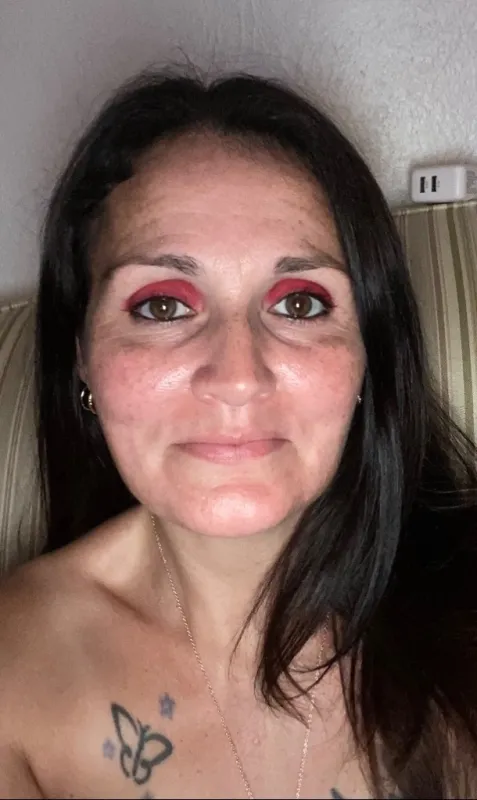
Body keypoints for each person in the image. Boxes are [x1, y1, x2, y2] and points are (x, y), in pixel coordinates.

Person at [0, 67, 476, 800]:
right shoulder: (16, 667)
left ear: (368, 356)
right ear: (82, 359)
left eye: (300, 303)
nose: (237, 377)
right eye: (162, 307)